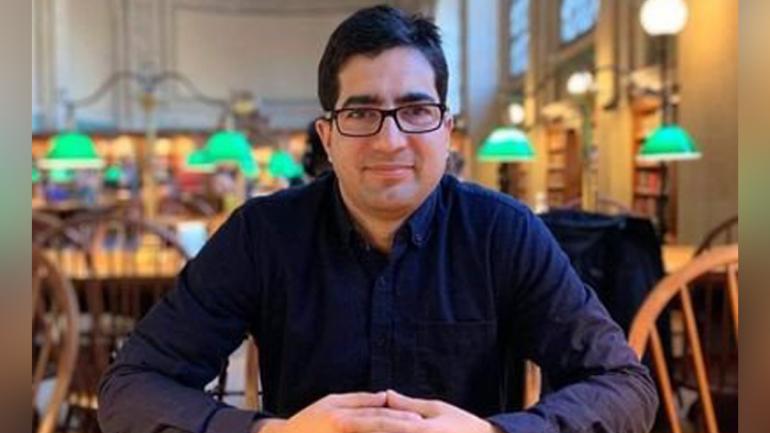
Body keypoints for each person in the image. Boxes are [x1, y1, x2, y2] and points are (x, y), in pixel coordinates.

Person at [97, 5, 657, 433]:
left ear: (446, 130)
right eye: (362, 112)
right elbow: (130, 386)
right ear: (328, 137)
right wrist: (273, 432)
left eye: (416, 110)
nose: (390, 140)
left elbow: (625, 385)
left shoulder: (503, 232)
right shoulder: (262, 235)